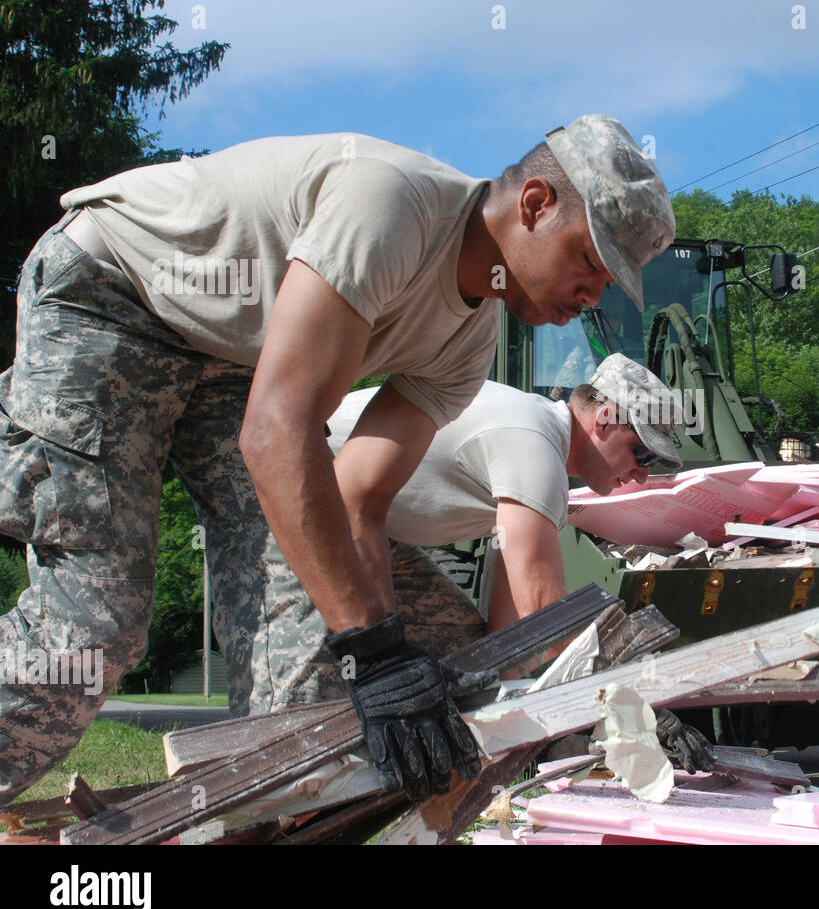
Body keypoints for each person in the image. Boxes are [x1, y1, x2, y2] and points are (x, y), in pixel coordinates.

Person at [0, 115, 675, 804]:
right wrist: (373, 651)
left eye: (609, 283)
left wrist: (387, 658)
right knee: (95, 625)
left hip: (234, 355)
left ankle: (262, 813)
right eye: (590, 262)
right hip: (114, 294)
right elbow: (275, 431)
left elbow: (357, 499)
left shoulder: (467, 346)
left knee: (311, 610)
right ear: (535, 204)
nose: (592, 295)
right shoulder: (392, 205)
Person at [255, 352, 712, 773]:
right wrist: (641, 706)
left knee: (466, 666)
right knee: (299, 716)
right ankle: (263, 799)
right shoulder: (534, 446)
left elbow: (508, 640)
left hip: (371, 528)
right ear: (606, 418)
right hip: (303, 500)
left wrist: (531, 738)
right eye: (643, 452)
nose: (642, 473)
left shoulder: (537, 461)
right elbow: (545, 618)